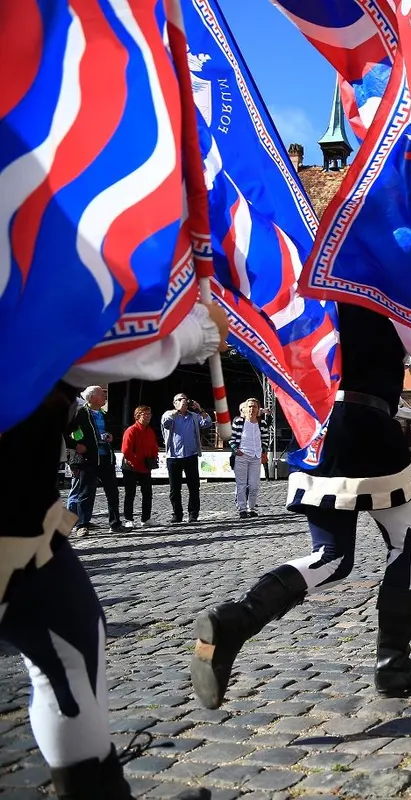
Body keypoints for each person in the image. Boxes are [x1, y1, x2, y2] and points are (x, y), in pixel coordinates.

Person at [190, 303, 411, 710]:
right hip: (368, 423)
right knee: (408, 541)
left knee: (330, 556)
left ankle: (236, 620)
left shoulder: (307, 300)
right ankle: (392, 662)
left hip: (320, 427)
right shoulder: (387, 298)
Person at [3, 302, 224, 800]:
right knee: (68, 654)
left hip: (24, 514)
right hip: (14, 514)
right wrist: (199, 332)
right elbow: (72, 336)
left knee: (75, 642)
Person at [65, 386, 125, 534]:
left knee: (112, 492)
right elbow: (65, 432)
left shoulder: (105, 414)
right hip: (89, 458)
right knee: (86, 492)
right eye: (102, 394)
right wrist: (76, 445)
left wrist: (111, 436)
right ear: (91, 397)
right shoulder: (80, 413)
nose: (105, 396)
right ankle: (82, 525)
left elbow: (111, 431)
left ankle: (115, 523)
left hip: (106, 457)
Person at [161, 392, 213, 523]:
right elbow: (165, 423)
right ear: (174, 403)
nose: (183, 401)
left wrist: (200, 409)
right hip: (174, 457)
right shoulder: (169, 414)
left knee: (194, 487)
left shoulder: (194, 416)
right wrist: (176, 411)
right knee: (175, 488)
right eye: (179, 399)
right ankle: (177, 514)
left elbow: (207, 423)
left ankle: (193, 514)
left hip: (190, 455)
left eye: (185, 399)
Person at [229, 398, 271, 519]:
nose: (252, 409)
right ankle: (242, 509)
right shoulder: (239, 421)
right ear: (245, 409)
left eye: (254, 407)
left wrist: (263, 451)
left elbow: (265, 439)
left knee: (254, 485)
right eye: (249, 407)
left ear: (258, 409)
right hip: (242, 456)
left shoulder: (261, 423)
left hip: (256, 457)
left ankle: (251, 508)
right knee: (241, 484)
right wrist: (236, 450)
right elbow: (232, 438)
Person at [120, 405, 159, 527]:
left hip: (145, 466)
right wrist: (135, 462)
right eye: (145, 414)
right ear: (138, 416)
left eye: (149, 414)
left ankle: (146, 518)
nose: (148, 417)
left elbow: (154, 447)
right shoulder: (131, 430)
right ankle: (128, 519)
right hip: (131, 466)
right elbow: (126, 450)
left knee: (147, 493)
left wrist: (153, 457)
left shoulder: (150, 431)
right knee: (130, 493)